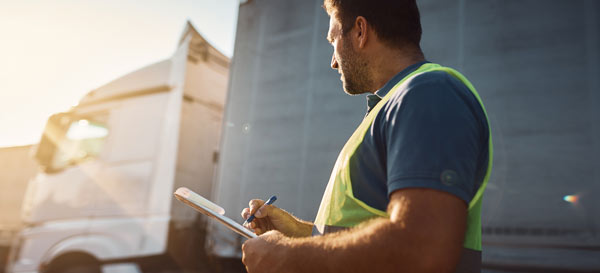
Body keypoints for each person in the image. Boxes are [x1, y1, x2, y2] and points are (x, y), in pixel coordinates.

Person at [240, 0, 492, 272]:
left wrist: (286, 257)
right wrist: (298, 233)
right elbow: (372, 236)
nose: (333, 62)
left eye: (333, 39)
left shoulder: (429, 94)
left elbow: (422, 248)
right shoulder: (398, 103)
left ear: (360, 31)